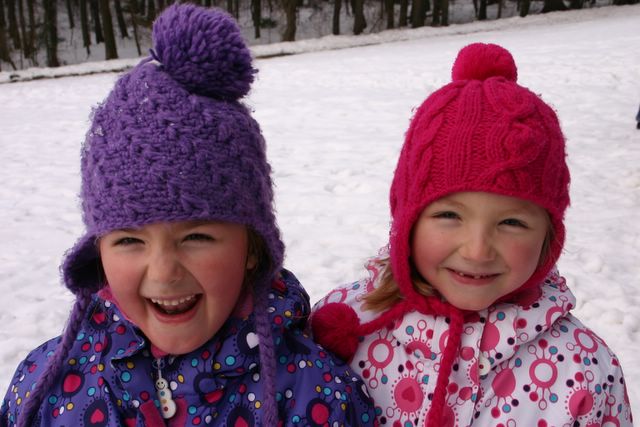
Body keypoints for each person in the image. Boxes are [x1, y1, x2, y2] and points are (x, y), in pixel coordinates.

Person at [0, 4, 374, 426]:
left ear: (253, 248)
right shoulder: (45, 390)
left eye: (196, 237)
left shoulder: (314, 397)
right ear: (97, 251)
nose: (164, 272)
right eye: (129, 240)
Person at [311, 43, 633, 427]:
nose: (477, 250)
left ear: (548, 235)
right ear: (408, 221)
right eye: (449, 215)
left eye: (511, 222)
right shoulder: (342, 331)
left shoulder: (584, 373)